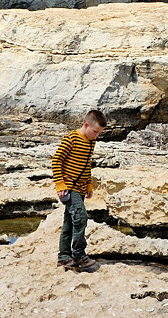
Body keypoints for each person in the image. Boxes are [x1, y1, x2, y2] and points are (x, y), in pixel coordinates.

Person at [53, 109, 107, 270]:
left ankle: (63, 257)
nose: (96, 135)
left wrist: (89, 185)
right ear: (86, 124)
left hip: (81, 188)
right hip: (69, 187)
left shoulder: (91, 141)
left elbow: (86, 165)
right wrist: (60, 184)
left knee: (69, 223)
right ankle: (79, 255)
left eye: (99, 133)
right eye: (95, 131)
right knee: (80, 218)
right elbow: (56, 161)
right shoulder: (71, 139)